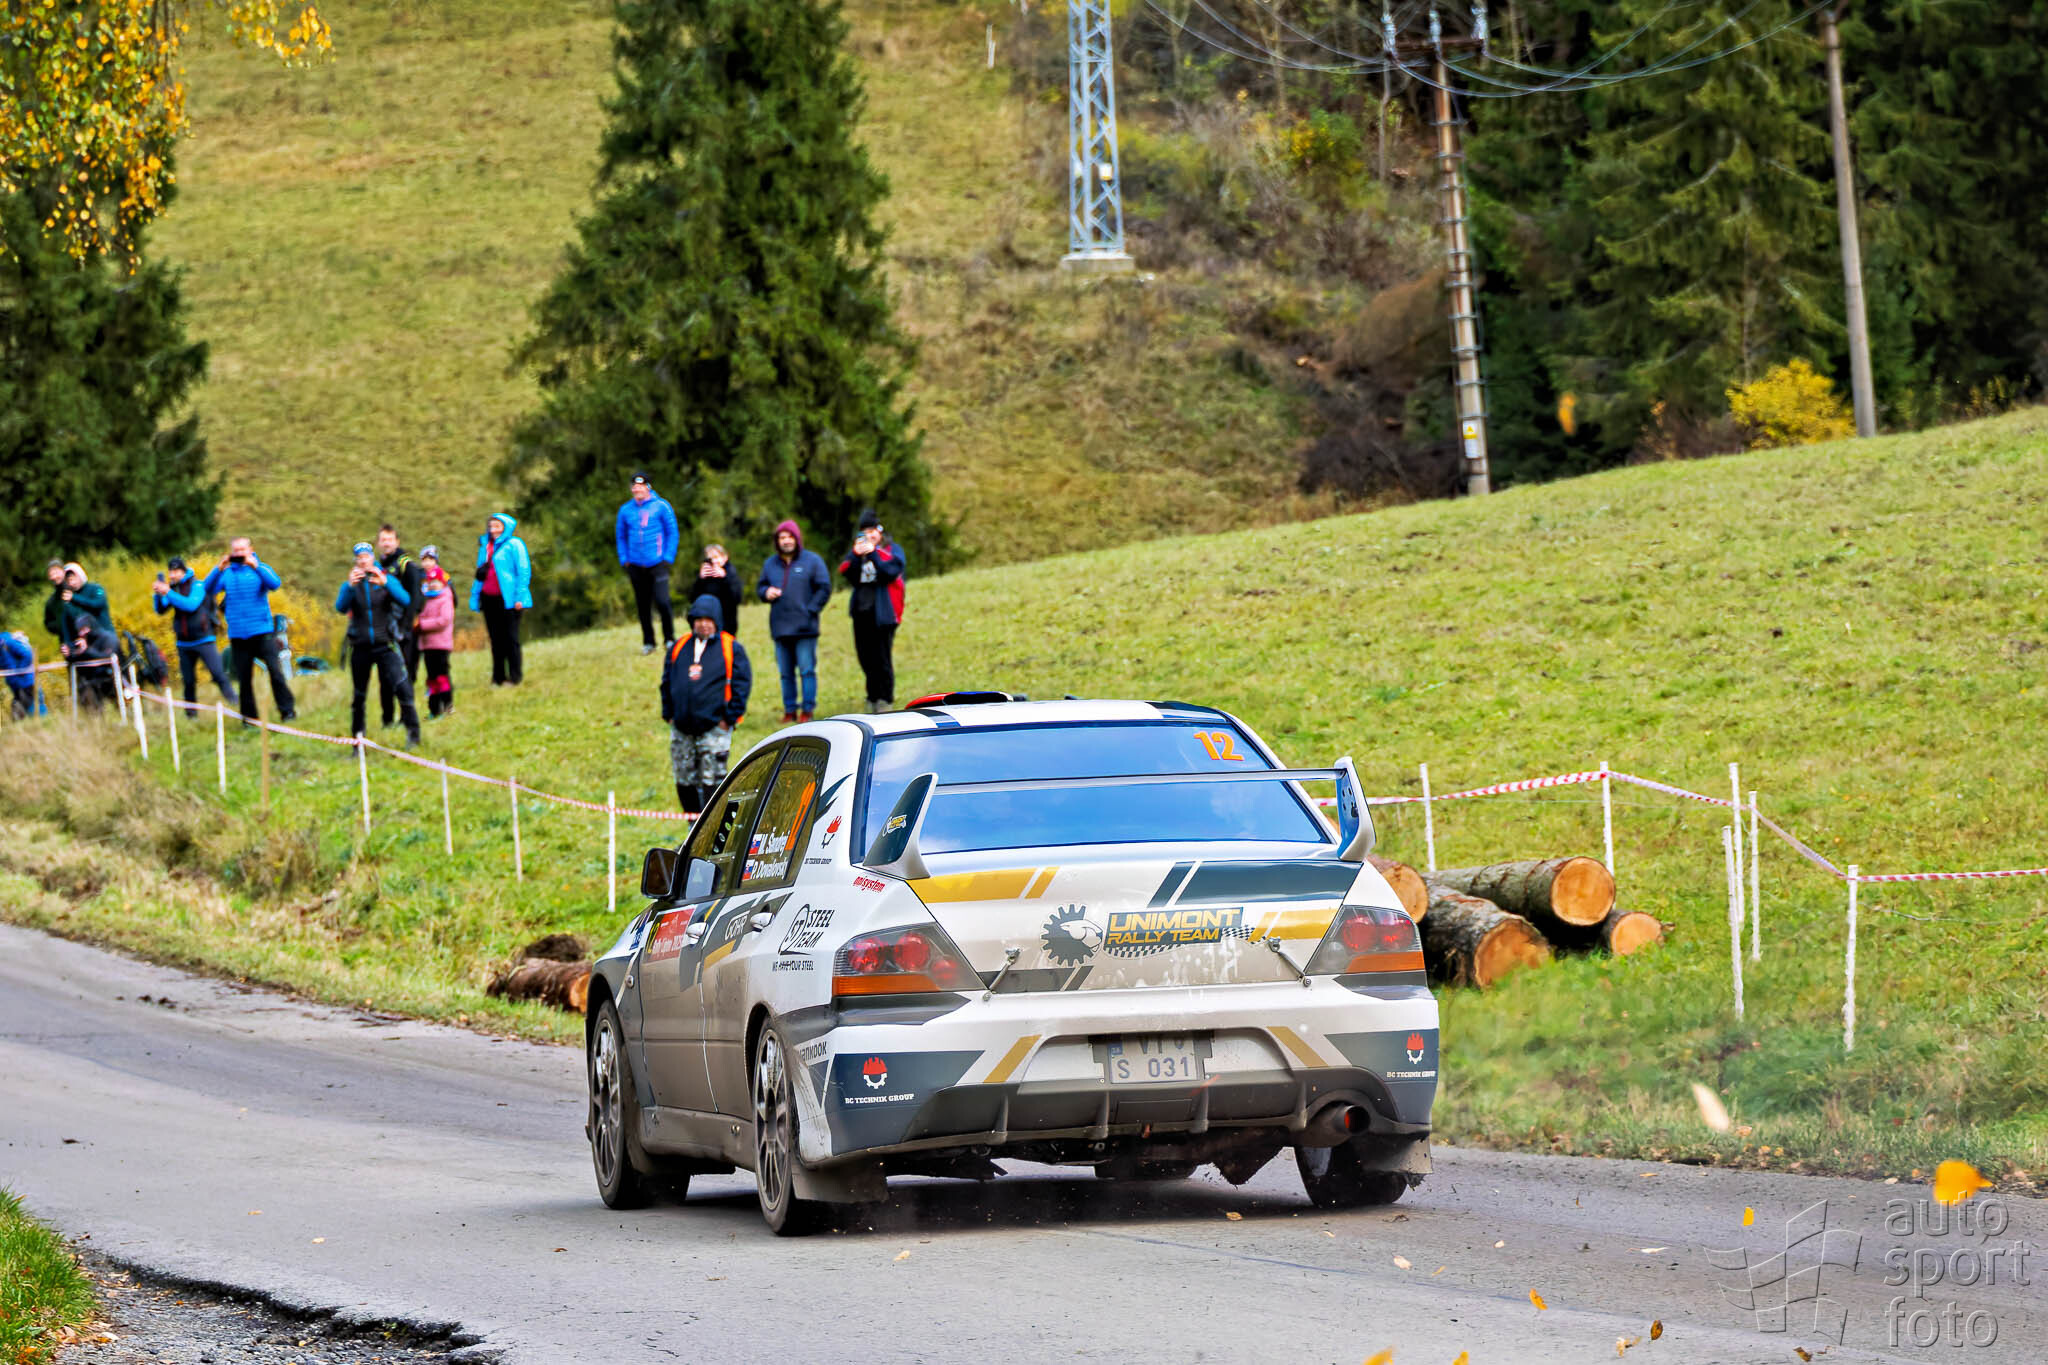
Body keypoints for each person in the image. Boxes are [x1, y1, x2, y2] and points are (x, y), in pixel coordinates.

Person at [661, 595, 750, 815]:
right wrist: (669, 714)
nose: (703, 624)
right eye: (699, 620)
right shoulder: (679, 646)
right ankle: (693, 826)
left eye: (708, 620)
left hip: (714, 729)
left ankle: (713, 828)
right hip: (682, 729)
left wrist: (728, 718)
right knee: (684, 781)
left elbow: (742, 684)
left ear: (717, 621)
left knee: (713, 783)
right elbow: (666, 681)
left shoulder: (731, 648)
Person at [335, 541, 421, 747]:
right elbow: (340, 607)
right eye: (359, 558)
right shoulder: (350, 585)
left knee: (402, 687)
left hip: (385, 644)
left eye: (366, 557)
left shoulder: (385, 580)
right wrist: (349, 587)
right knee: (359, 697)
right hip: (360, 646)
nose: (363, 561)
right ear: (356, 562)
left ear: (372, 559)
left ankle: (413, 735)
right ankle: (358, 742)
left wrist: (386, 583)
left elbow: (406, 600)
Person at [203, 537, 296, 723]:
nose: (239, 553)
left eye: (242, 550)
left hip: (262, 631)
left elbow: (275, 584)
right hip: (238, 635)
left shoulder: (260, 568)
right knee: (244, 679)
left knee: (275, 672)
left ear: (250, 550)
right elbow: (208, 589)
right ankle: (250, 719)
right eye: (235, 550)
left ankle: (288, 712)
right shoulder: (227, 573)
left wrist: (256, 566)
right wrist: (218, 568)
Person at [755, 519, 830, 724]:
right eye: (782, 537)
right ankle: (790, 711)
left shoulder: (812, 561)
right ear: (777, 541)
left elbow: (824, 588)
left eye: (789, 537)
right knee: (785, 674)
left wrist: (810, 610)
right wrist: (766, 592)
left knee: (806, 670)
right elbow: (760, 588)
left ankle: (807, 711)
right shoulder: (770, 564)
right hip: (780, 627)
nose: (786, 541)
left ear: (797, 539)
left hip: (805, 628)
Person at [837, 510, 906, 713]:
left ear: (880, 531)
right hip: (862, 611)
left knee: (882, 657)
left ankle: (885, 699)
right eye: (865, 532)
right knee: (865, 657)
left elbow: (889, 572)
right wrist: (856, 555)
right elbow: (847, 573)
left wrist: (873, 553)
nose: (869, 535)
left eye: (872, 531)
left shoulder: (892, 550)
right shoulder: (858, 553)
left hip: (884, 612)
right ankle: (872, 696)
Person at [151, 556, 238, 717]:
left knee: (218, 675)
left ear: (183, 571)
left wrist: (168, 592)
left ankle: (235, 703)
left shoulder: (198, 585)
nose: (172, 575)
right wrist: (158, 594)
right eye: (170, 572)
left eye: (176, 571)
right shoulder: (173, 588)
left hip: (204, 639)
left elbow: (191, 605)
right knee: (189, 682)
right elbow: (161, 609)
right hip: (183, 643)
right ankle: (191, 715)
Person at [615, 472, 679, 656]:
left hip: (657, 561)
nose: (637, 490)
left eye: (640, 487)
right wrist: (624, 559)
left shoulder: (661, 506)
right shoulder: (625, 510)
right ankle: (649, 642)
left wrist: (668, 557)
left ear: (648, 488)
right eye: (634, 487)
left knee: (663, 601)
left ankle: (669, 638)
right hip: (635, 564)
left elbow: (672, 532)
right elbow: (621, 536)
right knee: (643, 605)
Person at [469, 513, 532, 686]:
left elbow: (524, 570)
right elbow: (480, 574)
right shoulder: (485, 546)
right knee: (495, 640)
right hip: (488, 598)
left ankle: (515, 677)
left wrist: (519, 596)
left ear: (506, 527)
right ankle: (498, 678)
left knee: (510, 639)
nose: (493, 530)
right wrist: (475, 597)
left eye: (497, 526)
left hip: (509, 599)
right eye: (491, 526)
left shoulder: (515, 544)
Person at [375, 524, 424, 729]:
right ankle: (387, 719)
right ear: (378, 543)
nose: (386, 543)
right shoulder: (377, 567)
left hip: (405, 629)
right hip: (384, 630)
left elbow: (416, 599)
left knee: (405, 674)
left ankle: (406, 717)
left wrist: (406, 627)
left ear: (397, 542)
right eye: (383, 540)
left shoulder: (407, 565)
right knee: (385, 675)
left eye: (390, 539)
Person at [415, 549, 456, 719]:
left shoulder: (446, 598)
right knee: (431, 678)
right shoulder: (427, 599)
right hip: (427, 645)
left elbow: (443, 620)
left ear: (442, 582)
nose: (433, 585)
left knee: (441, 676)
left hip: (441, 645)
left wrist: (422, 625)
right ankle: (434, 709)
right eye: (430, 582)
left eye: (436, 581)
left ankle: (447, 705)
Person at [59, 610, 119, 712]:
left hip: (112, 680)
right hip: (92, 683)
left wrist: (86, 650)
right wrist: (69, 655)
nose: (81, 633)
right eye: (79, 630)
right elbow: (79, 660)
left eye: (83, 629)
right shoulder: (86, 641)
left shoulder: (108, 638)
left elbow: (107, 658)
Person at [687, 543, 742, 640]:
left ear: (725, 557)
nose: (714, 561)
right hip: (708, 620)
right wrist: (700, 579)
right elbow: (692, 599)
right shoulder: (705, 574)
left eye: (716, 557)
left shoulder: (731, 572)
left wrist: (725, 578)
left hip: (727, 621)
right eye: (710, 558)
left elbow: (737, 598)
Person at [2, 631, 48, 719]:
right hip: (15, 685)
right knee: (21, 709)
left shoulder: (9, 642)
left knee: (35, 707)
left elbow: (27, 655)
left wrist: (20, 671)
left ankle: (44, 723)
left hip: (27, 681)